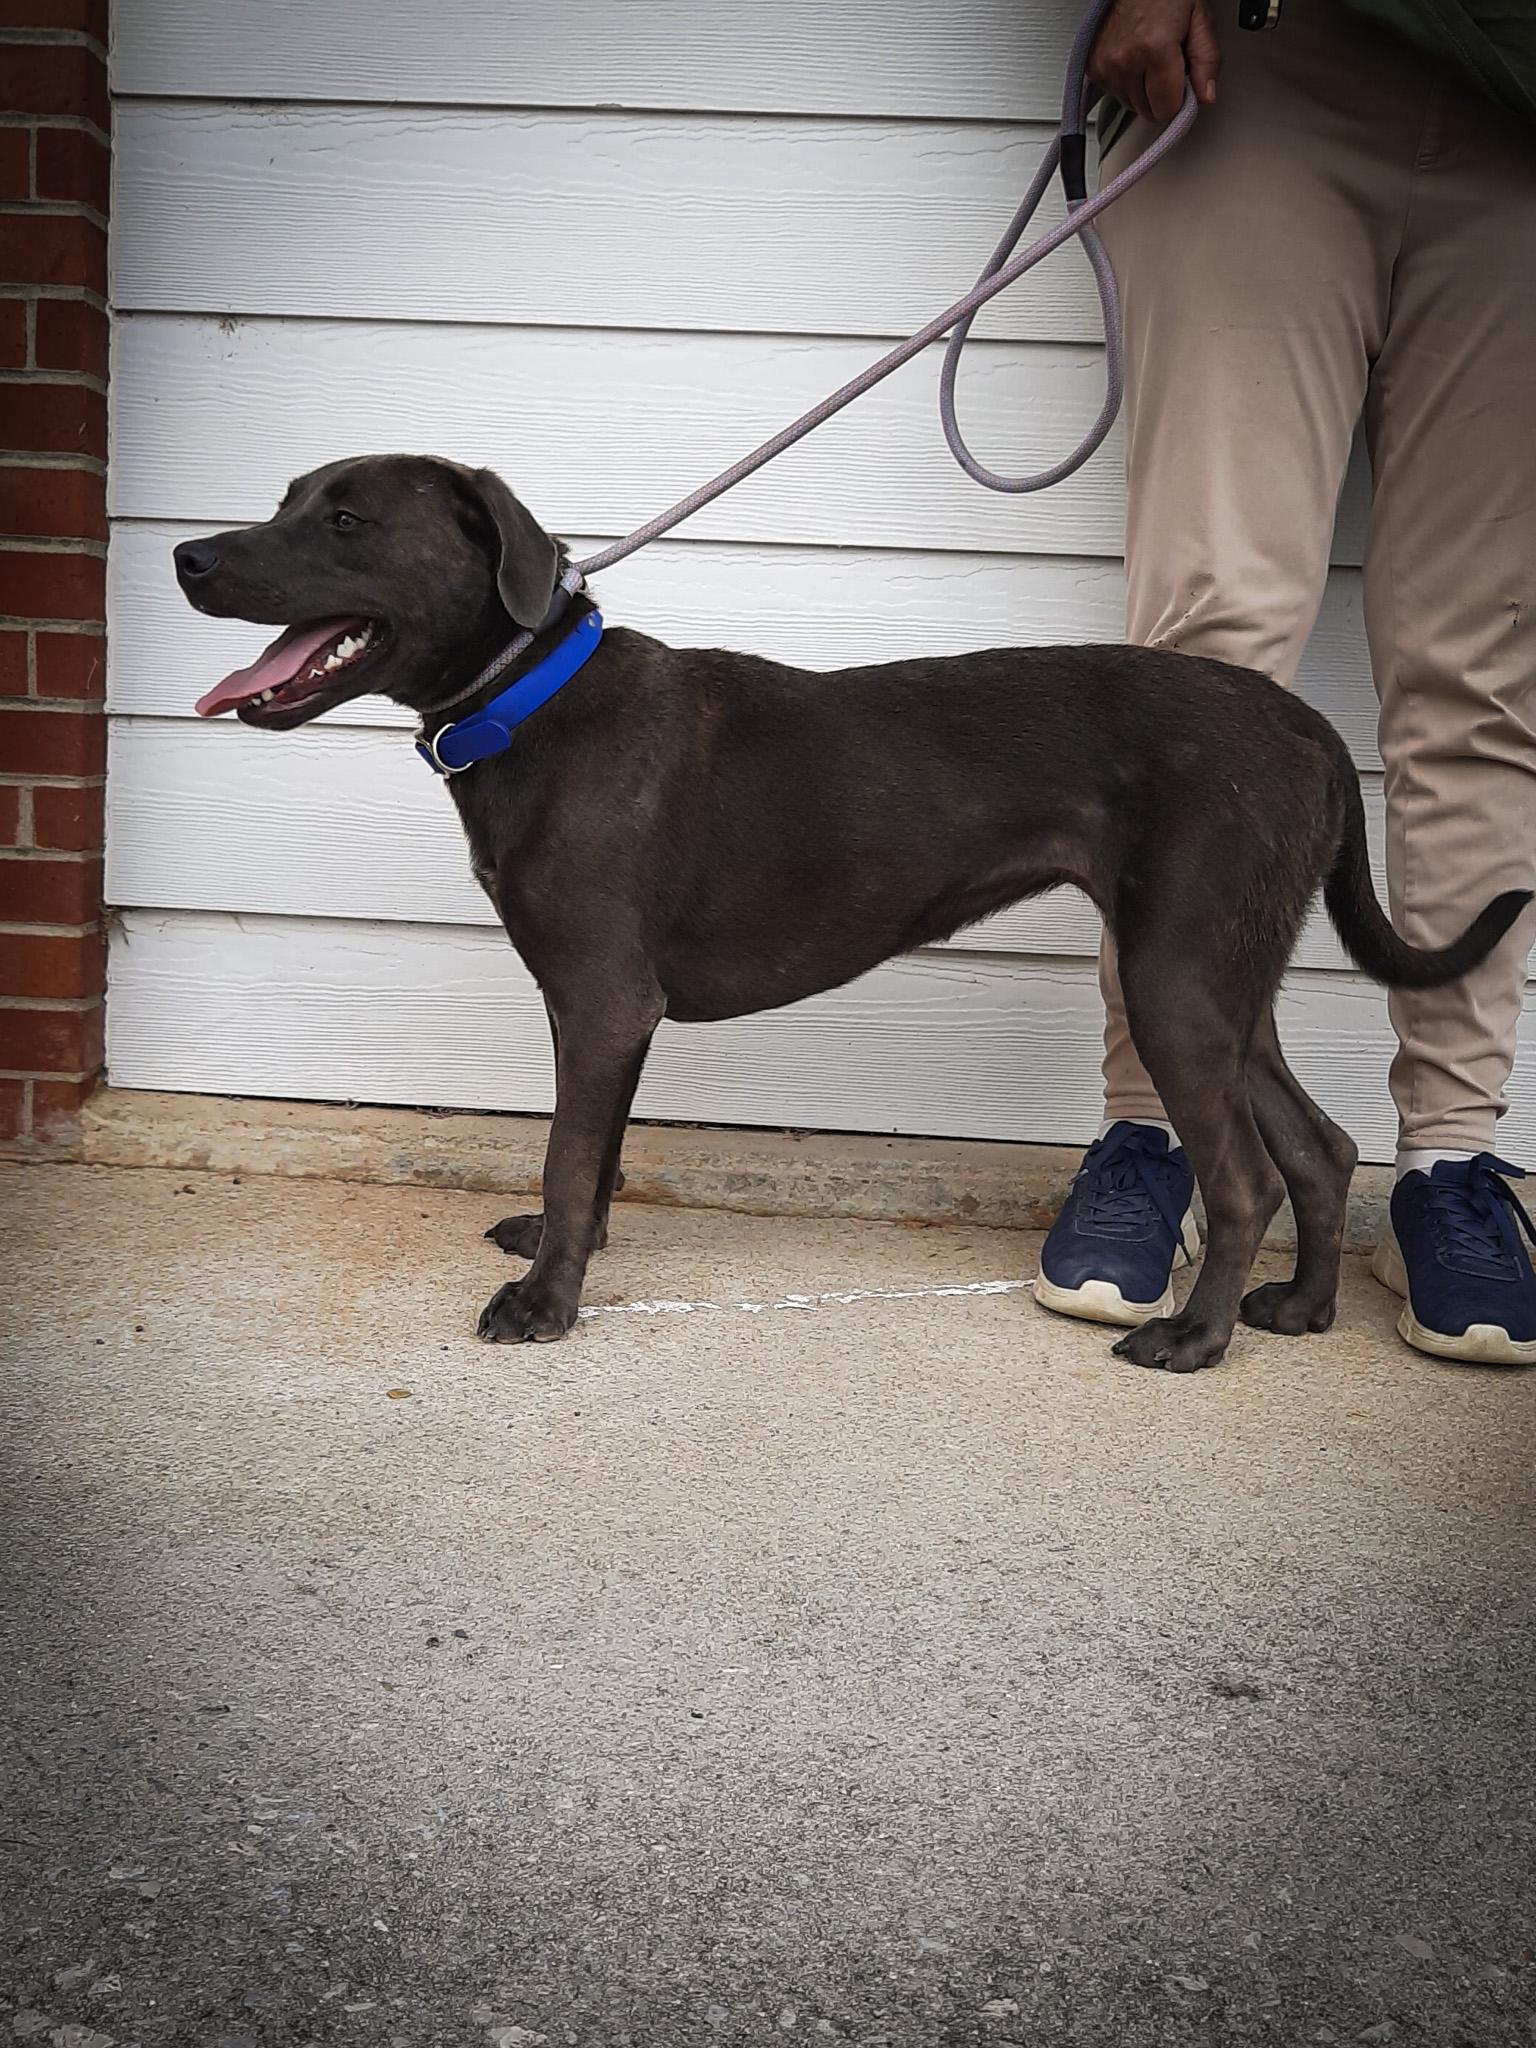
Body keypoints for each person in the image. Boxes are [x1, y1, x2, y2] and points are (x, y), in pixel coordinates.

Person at [1033, 0, 1536, 1363]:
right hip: (1261, 76)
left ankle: (1452, 1161)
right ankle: (1155, 1128)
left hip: (1521, 123)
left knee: (1480, 667)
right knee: (1200, 659)